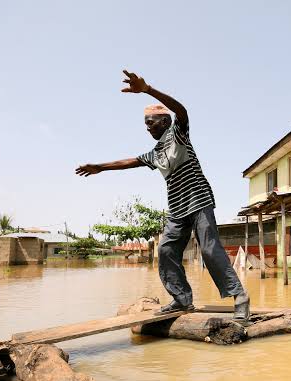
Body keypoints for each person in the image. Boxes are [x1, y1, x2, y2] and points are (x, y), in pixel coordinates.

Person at [75, 70, 250, 320]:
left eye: (151, 123)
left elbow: (182, 110)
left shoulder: (178, 133)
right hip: (177, 208)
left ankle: (240, 297)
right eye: (146, 125)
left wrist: (147, 89)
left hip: (198, 200)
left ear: (164, 121)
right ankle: (182, 299)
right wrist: (100, 167)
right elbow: (132, 160)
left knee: (210, 250)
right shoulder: (156, 152)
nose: (147, 129)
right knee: (167, 250)